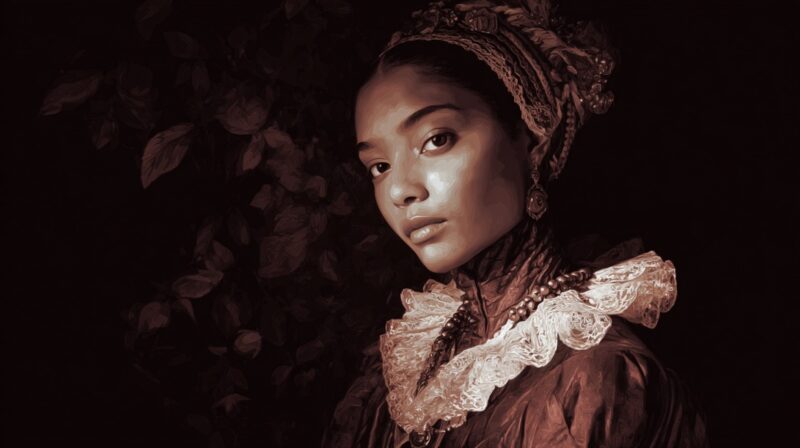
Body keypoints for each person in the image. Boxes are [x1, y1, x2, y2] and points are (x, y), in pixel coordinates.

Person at [324, 1, 709, 446]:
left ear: (531, 141)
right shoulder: (392, 379)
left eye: (436, 140)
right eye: (379, 166)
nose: (400, 190)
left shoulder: (592, 378)